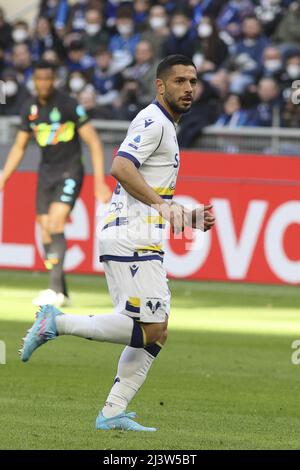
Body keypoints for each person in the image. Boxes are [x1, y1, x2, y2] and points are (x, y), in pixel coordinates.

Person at [18, 55, 215, 432]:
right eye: (179, 81)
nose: (188, 88)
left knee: (157, 331)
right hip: (131, 237)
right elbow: (119, 167)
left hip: (139, 236)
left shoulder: (167, 127)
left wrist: (186, 217)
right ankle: (56, 323)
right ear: (160, 86)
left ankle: (112, 412)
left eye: (193, 81)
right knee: (151, 328)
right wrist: (162, 205)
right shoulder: (153, 121)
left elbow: (148, 188)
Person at [0, 60, 111, 307]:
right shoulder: (29, 107)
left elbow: (93, 142)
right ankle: (63, 291)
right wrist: (4, 177)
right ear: (34, 81)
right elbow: (19, 146)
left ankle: (53, 290)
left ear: (54, 80)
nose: (44, 84)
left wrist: (99, 182)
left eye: (48, 79)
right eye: (39, 79)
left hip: (70, 170)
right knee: (44, 228)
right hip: (46, 172)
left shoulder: (69, 106)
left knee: (55, 221)